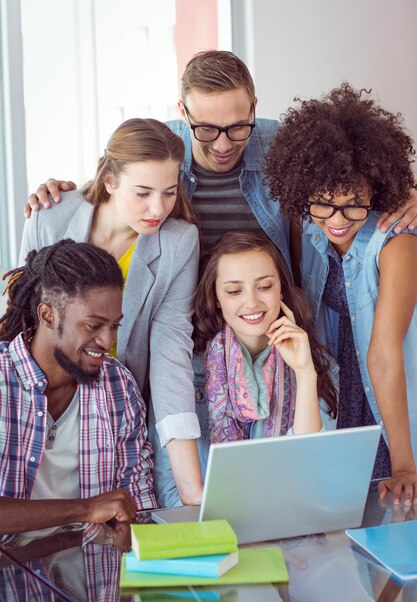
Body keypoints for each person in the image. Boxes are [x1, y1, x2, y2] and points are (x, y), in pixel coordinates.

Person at [22, 52, 417, 505]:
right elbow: (124, 173)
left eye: (238, 127)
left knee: (305, 490)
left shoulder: (284, 145)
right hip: (191, 360)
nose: (224, 144)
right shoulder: (163, 148)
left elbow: (352, 173)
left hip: (272, 348)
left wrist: (404, 190)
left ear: (254, 108)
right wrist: (59, 191)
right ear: (183, 113)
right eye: (205, 129)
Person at [19, 118, 203, 508]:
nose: (158, 209)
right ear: (109, 180)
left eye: (170, 193)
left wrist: (193, 493)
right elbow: (23, 319)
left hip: (119, 409)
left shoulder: (178, 241)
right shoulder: (49, 216)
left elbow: (171, 353)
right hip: (44, 399)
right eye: (143, 193)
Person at [264, 83, 417, 504]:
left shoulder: (397, 241)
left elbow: (385, 352)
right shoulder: (307, 225)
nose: (337, 220)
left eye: (354, 203)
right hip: (337, 387)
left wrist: (405, 464)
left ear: (376, 187)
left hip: (390, 395)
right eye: (323, 203)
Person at [0, 239, 156, 538]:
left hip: (93, 577)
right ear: (48, 315)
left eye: (114, 326)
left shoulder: (117, 384)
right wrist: (85, 508)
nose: (106, 340)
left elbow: (138, 501)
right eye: (93, 325)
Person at [193, 231, 338, 442]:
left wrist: (305, 373)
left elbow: (313, 461)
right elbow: (167, 469)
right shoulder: (188, 368)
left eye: (264, 287)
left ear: (281, 289)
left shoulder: (320, 364)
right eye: (234, 291)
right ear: (216, 298)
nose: (251, 302)